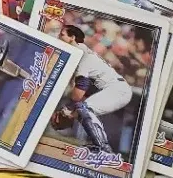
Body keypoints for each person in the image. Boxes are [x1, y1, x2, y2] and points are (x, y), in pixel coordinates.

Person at [51, 25, 134, 154]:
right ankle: (100, 146)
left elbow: (78, 94)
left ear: (72, 37)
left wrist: (68, 109)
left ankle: (103, 148)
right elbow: (87, 91)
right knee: (82, 109)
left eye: (62, 35)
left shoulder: (82, 56)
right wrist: (70, 111)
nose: (58, 37)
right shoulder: (81, 51)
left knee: (84, 109)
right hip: (113, 88)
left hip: (117, 90)